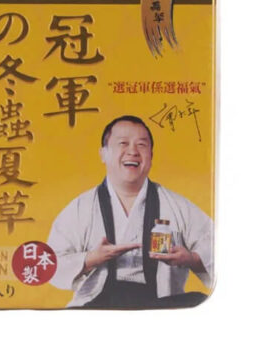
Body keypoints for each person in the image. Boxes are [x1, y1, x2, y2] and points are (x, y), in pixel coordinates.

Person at [47, 115, 214, 309]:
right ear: (103, 154)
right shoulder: (80, 208)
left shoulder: (178, 206)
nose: (133, 151)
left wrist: (192, 259)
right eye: (123, 143)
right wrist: (91, 258)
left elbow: (218, 249)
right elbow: (50, 263)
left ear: (151, 155)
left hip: (160, 305)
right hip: (97, 307)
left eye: (141, 145)